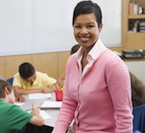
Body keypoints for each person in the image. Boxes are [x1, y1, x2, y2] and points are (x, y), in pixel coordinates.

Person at [52, 1, 133, 133]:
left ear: (100, 27)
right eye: (78, 26)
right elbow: (68, 105)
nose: (83, 32)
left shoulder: (113, 64)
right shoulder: (72, 61)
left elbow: (124, 117)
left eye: (90, 26)